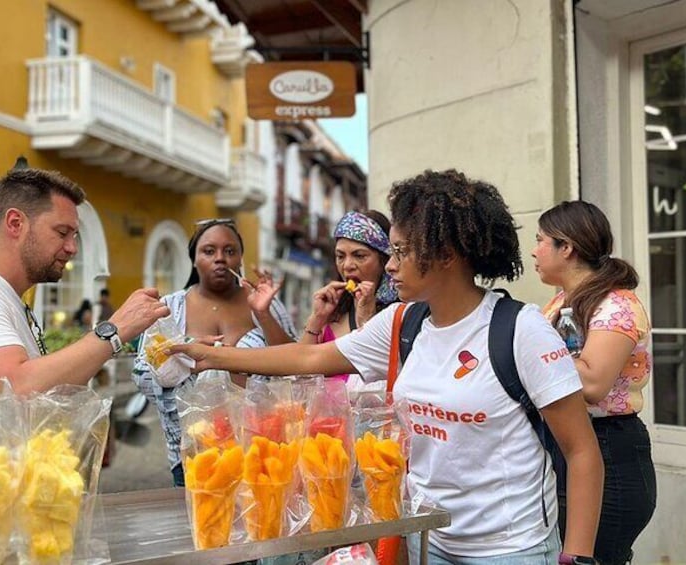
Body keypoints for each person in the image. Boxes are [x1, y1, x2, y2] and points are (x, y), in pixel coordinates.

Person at [170, 170, 603, 564]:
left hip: (510, 549)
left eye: (401, 250)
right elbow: (311, 357)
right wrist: (211, 355)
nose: (390, 264)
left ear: (447, 254)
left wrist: (578, 558)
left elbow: (582, 452)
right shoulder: (402, 322)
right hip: (425, 542)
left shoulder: (520, 329)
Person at [0, 168, 169, 513]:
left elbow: (36, 391)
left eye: (74, 235)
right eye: (62, 232)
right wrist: (113, 332)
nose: (71, 248)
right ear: (15, 223)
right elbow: (16, 388)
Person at [533, 200, 655, 565]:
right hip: (566, 444)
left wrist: (532, 357)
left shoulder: (616, 304)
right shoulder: (560, 302)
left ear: (566, 247)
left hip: (609, 450)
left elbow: (593, 382)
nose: (534, 250)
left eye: (541, 240)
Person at [132, 218, 297, 487]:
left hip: (262, 450)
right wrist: (187, 351)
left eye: (230, 251)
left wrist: (263, 314)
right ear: (194, 259)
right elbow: (141, 374)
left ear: (240, 258)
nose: (220, 259)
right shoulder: (168, 308)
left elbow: (295, 362)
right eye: (209, 251)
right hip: (194, 455)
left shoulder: (265, 302)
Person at [300, 210, 397, 397]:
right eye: (340, 256)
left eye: (359, 256)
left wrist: (367, 320)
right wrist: (316, 320)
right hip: (327, 423)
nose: (347, 265)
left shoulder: (401, 311)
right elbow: (301, 373)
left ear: (383, 260)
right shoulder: (331, 311)